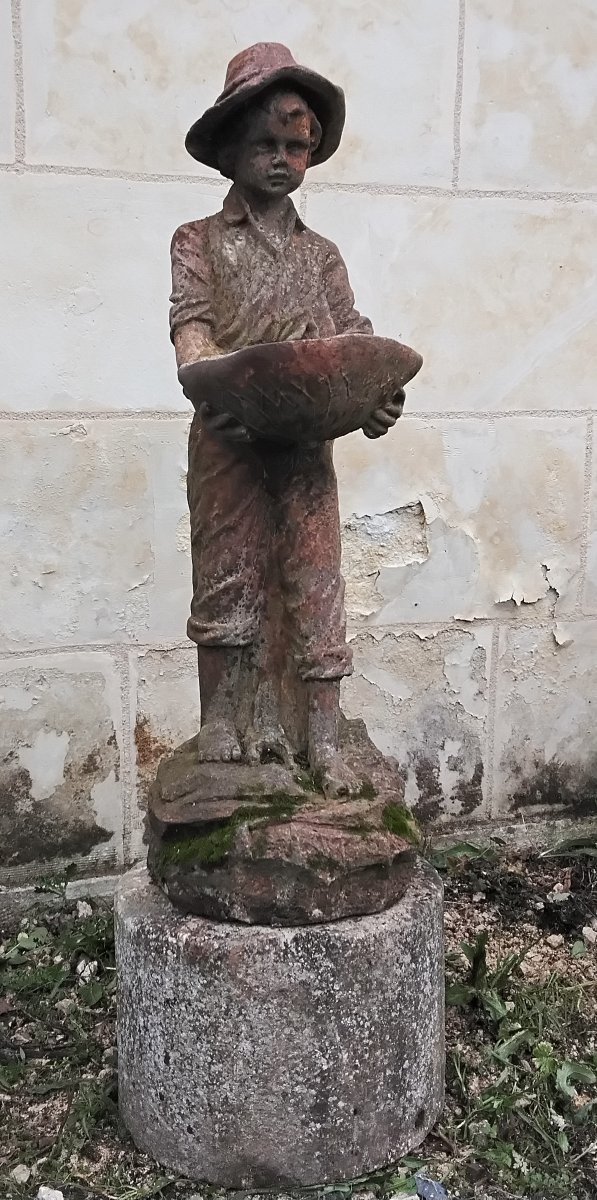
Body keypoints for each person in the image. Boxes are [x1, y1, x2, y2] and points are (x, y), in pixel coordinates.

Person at [169, 43, 403, 797]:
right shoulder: (198, 241)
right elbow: (192, 325)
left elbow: (351, 338)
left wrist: (376, 397)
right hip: (227, 441)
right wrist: (209, 385)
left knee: (316, 581)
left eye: (295, 146)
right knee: (225, 577)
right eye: (265, 143)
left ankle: (322, 736)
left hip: (303, 445)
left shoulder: (321, 255)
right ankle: (224, 730)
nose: (280, 159)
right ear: (232, 147)